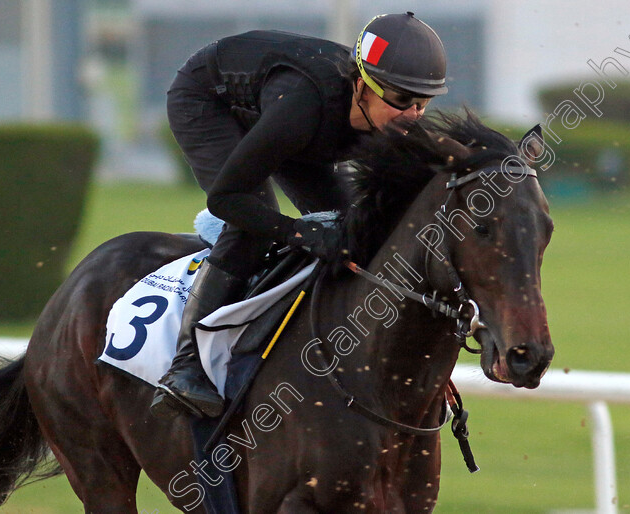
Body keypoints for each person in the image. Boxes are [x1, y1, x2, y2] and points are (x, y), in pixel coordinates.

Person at [150, 12, 449, 419]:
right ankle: (186, 366)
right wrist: (297, 232)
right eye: (400, 99)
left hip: (285, 117)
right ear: (362, 84)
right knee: (253, 225)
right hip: (210, 99)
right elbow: (227, 198)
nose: (412, 114)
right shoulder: (303, 108)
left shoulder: (384, 113)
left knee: (357, 233)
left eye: (423, 101)